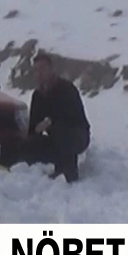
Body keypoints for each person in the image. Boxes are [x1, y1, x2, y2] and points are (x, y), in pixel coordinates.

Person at [20, 52, 90, 183]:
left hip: (77, 135)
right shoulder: (37, 95)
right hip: (54, 139)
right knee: (28, 144)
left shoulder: (66, 89)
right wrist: (34, 132)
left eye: (43, 68)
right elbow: (33, 127)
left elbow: (72, 118)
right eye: (36, 70)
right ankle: (30, 174)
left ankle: (68, 173)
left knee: (61, 131)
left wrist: (50, 122)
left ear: (51, 69)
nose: (39, 73)